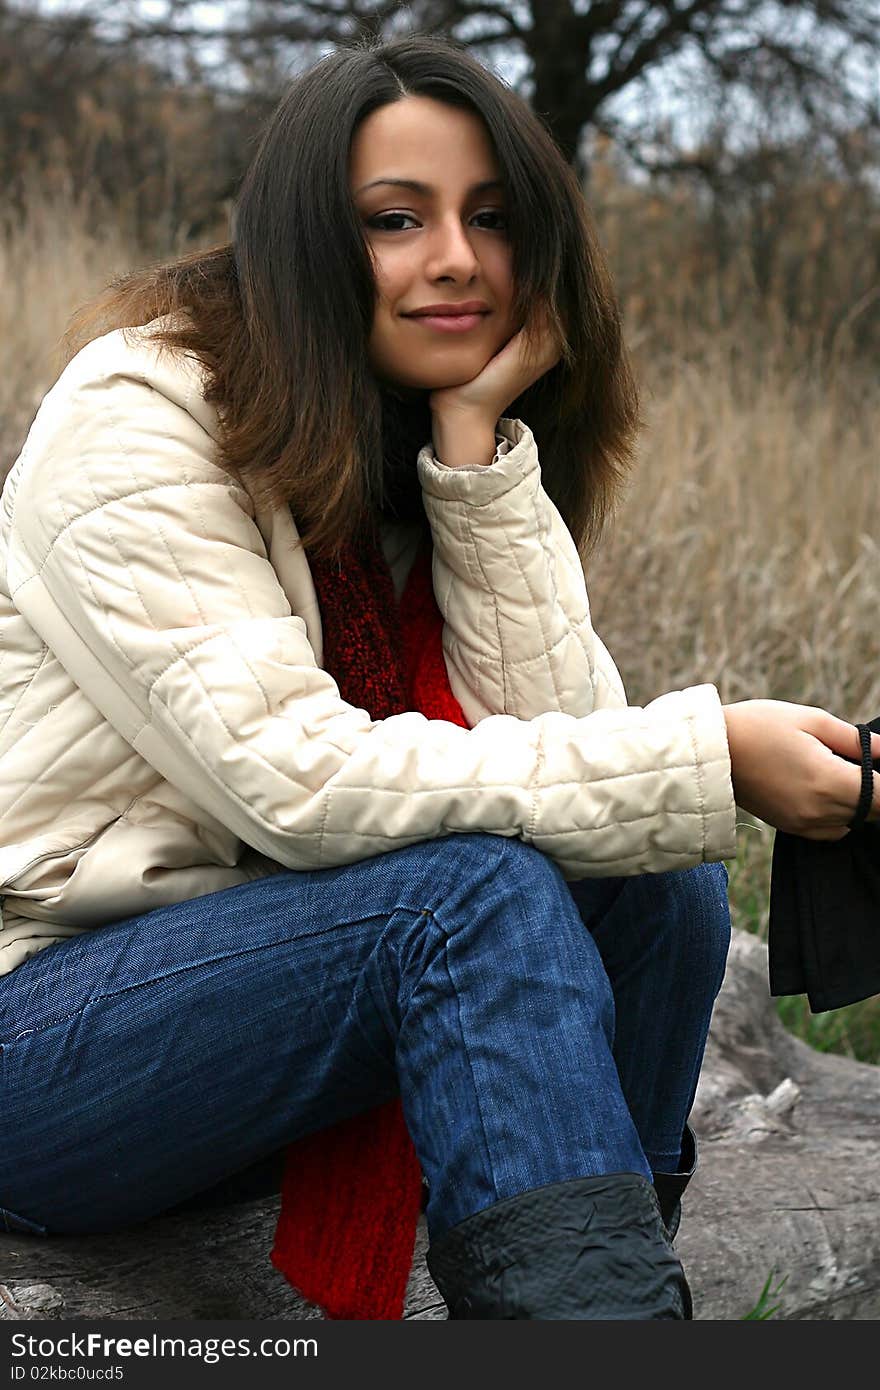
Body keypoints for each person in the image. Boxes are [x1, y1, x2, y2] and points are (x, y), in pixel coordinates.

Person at [0, 34, 877, 1323]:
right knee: (464, 898)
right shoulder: (140, 418)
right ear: (305, 238)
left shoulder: (403, 427)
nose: (455, 258)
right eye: (394, 221)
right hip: (52, 1032)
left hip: (271, 1023)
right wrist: (713, 755)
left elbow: (562, 753)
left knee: (666, 885)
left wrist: (475, 467)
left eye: (492, 219)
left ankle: (614, 1288)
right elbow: (300, 786)